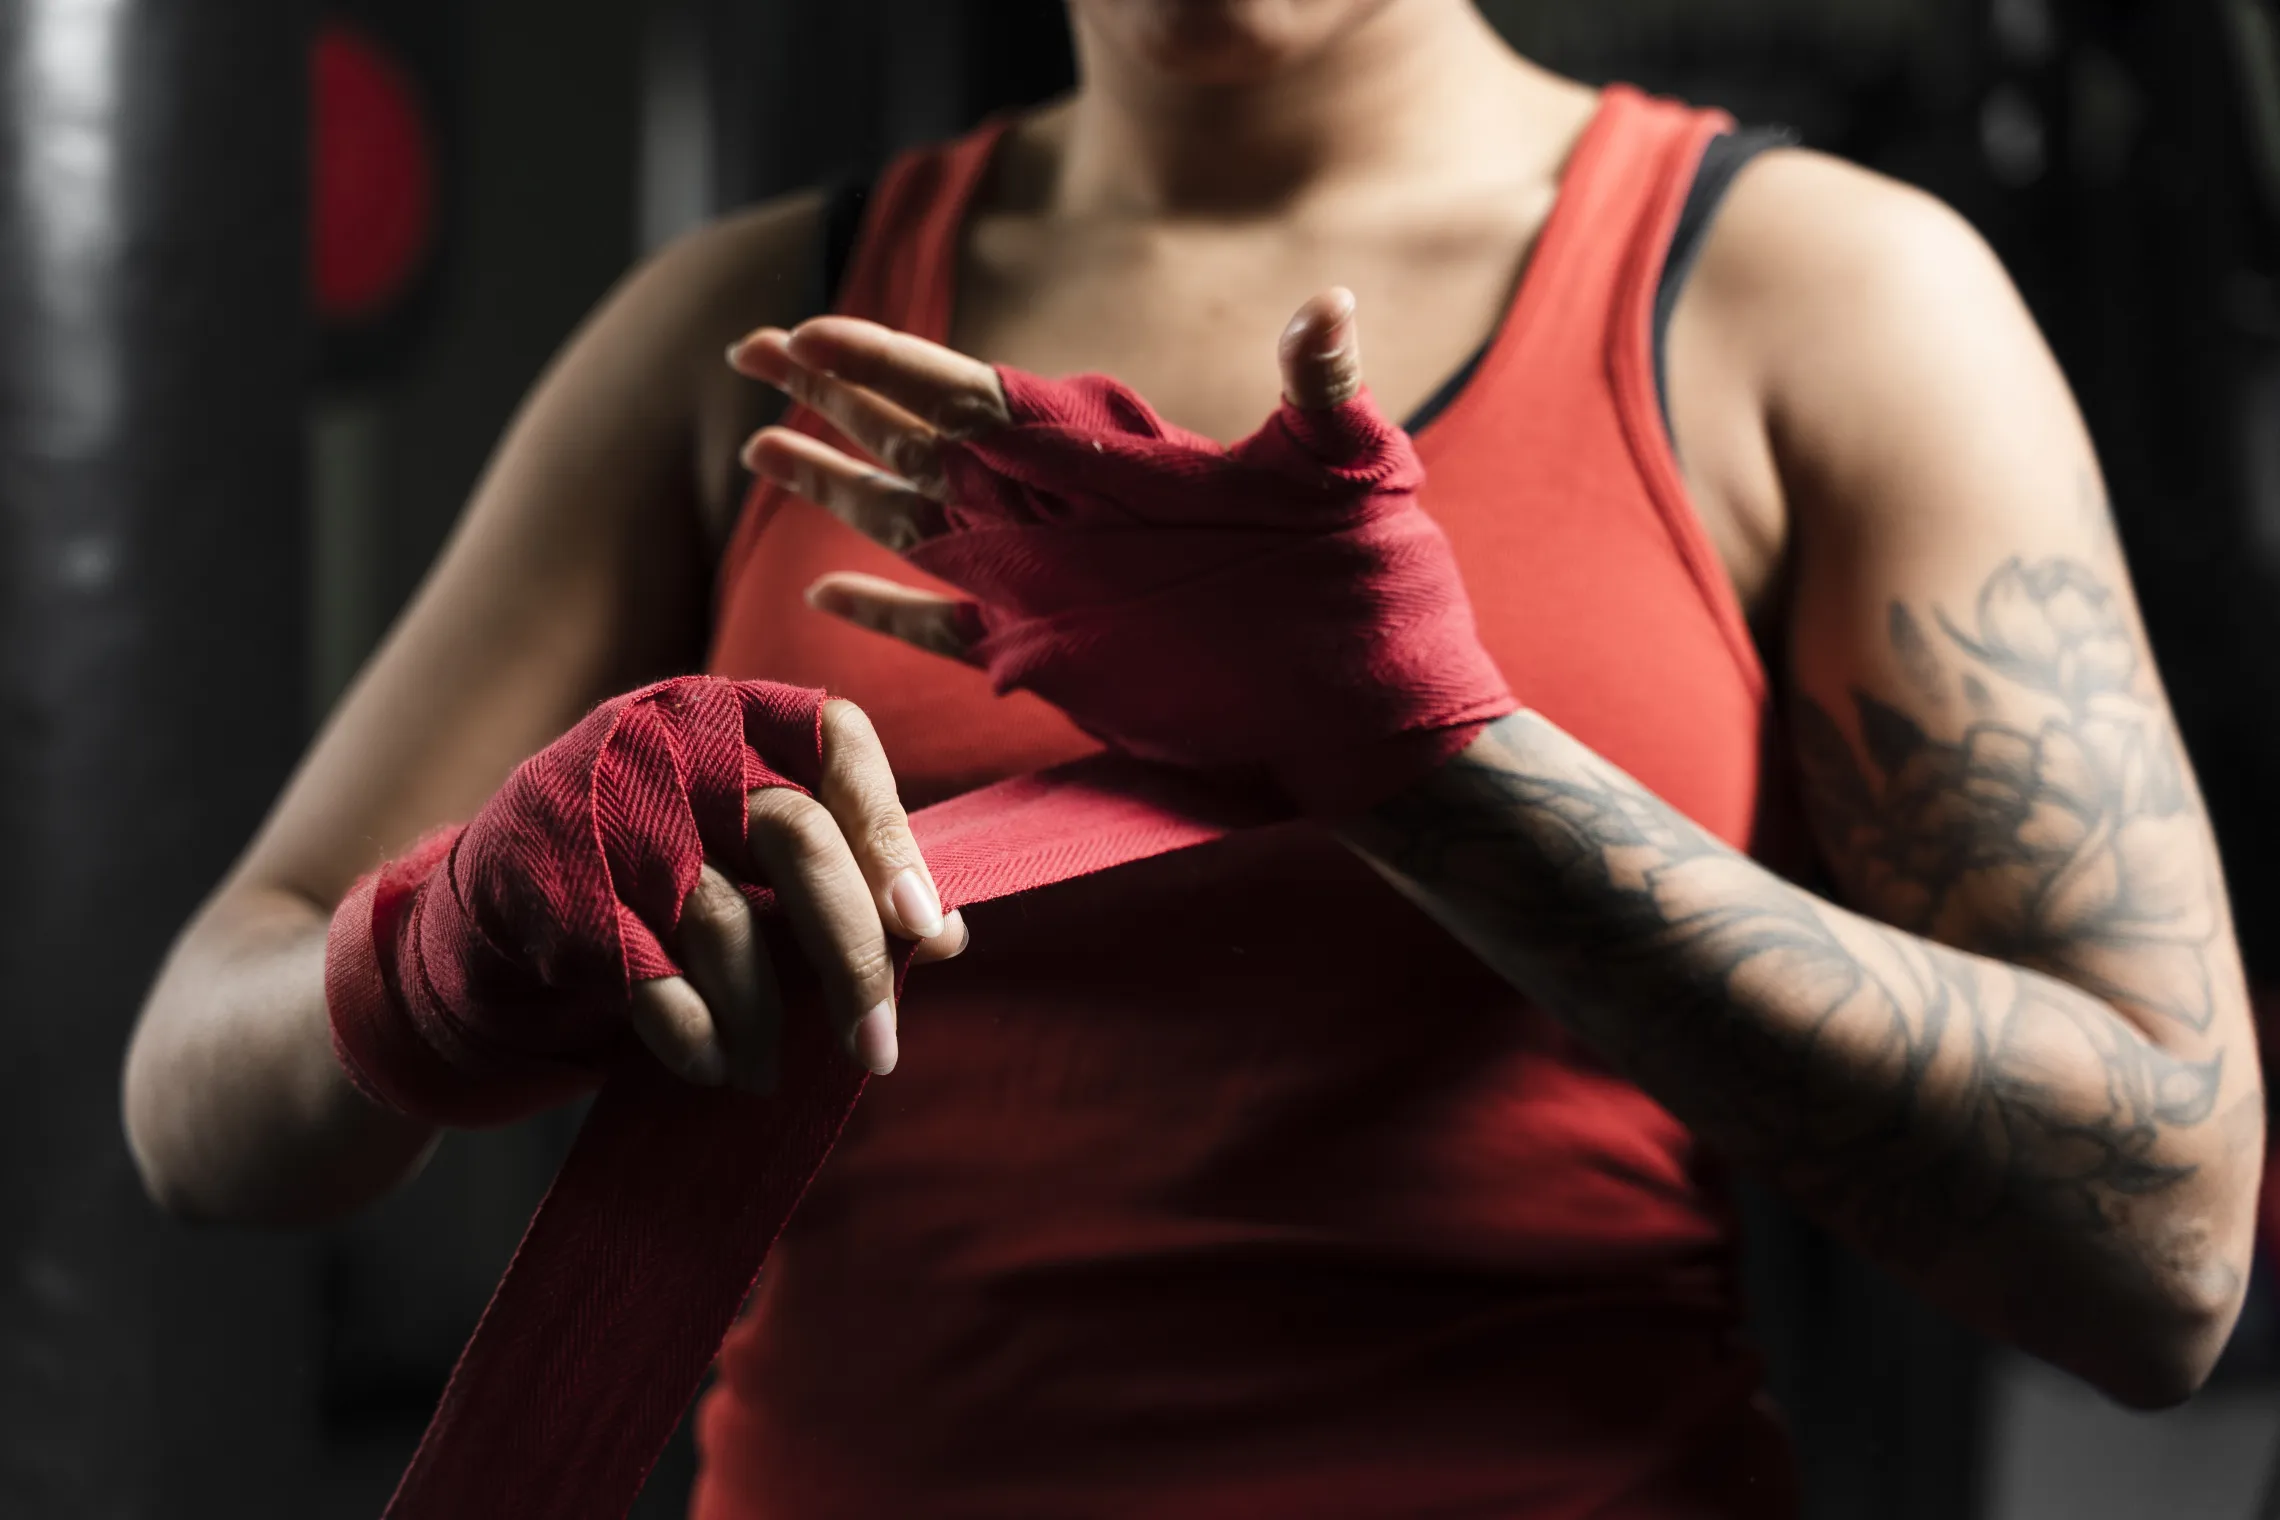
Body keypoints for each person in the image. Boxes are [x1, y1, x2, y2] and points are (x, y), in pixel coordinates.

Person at [125, 0, 2264, 1514]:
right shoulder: (755, 339)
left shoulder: (1823, 306)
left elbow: (2165, 1251)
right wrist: (429, 954)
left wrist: (1428, 765)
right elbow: (194, 1097)